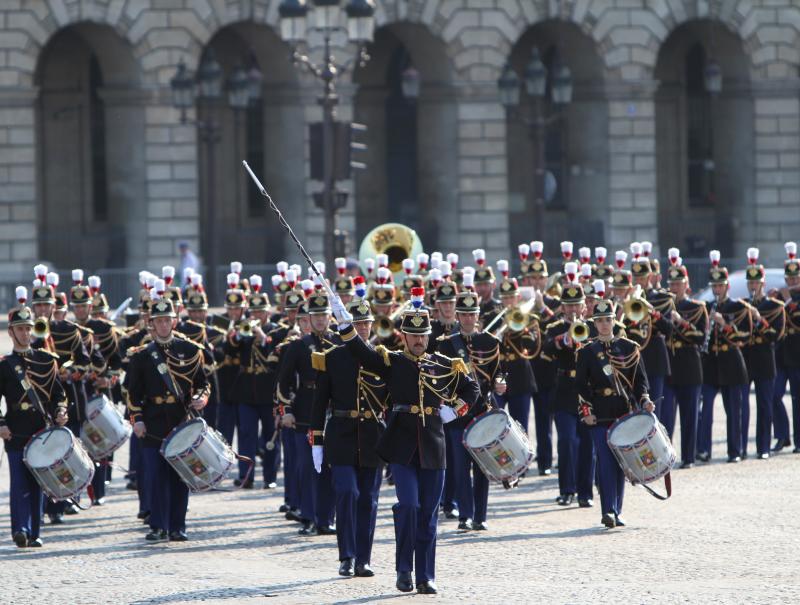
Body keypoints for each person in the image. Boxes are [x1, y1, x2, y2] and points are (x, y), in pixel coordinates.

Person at [332, 291, 480, 595]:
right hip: (401, 447)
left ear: (429, 335)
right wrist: (345, 322)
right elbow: (361, 352)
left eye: (422, 335)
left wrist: (456, 410)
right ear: (404, 336)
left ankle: (426, 575)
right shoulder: (392, 362)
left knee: (428, 513)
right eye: (413, 335)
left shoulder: (443, 364)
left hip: (433, 447)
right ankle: (404, 570)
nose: (419, 341)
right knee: (409, 506)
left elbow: (472, 388)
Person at [311, 298, 388, 577]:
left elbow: (391, 404)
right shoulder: (331, 357)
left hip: (372, 438)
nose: (362, 329)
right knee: (347, 491)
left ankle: (363, 559)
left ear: (371, 325)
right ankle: (347, 554)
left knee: (368, 498)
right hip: (341, 436)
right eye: (356, 324)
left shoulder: (382, 357)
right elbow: (319, 403)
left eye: (365, 323)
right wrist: (317, 441)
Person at [126, 296, 210, 542]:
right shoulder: (141, 356)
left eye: (167, 320)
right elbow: (132, 394)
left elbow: (203, 384)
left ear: (174, 321)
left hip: (180, 421)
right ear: (151, 323)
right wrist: (137, 420)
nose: (163, 325)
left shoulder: (190, 349)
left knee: (180, 477)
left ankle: (177, 526)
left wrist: (201, 399)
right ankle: (157, 525)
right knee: (155, 476)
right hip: (152, 423)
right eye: (158, 321)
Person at [576, 299, 653, 529]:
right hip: (599, 413)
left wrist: (645, 400)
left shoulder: (629, 347)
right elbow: (581, 385)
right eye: (599, 321)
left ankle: (617, 510)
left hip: (623, 411)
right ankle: (608, 510)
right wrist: (586, 411)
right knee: (605, 460)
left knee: (621, 461)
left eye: (607, 320)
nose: (603, 325)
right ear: (594, 323)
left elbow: (640, 381)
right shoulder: (587, 351)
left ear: (613, 320)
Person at [0, 293, 68, 547]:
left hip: (41, 429)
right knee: (19, 483)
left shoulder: (46, 360)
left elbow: (59, 395)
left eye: (28, 329)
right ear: (12, 332)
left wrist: (61, 411)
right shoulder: (5, 365)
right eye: (20, 329)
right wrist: (1, 425)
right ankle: (21, 529)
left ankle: (36, 532)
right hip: (16, 430)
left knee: (38, 482)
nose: (26, 333)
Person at [437, 290, 503, 531]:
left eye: (471, 314)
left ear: (477, 315)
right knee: (460, 467)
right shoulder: (445, 345)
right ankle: (465, 515)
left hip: (481, 413)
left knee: (482, 466)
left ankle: (480, 515)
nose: (467, 319)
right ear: (457, 315)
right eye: (463, 314)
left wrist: (501, 382)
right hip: (457, 413)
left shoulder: (490, 341)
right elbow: (439, 377)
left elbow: (499, 370)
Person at [543, 282, 596, 508]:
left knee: (587, 443)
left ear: (584, 307)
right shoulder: (554, 328)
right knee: (566, 441)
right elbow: (546, 350)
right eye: (569, 306)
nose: (573, 310)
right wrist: (564, 339)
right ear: (562, 308)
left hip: (588, 392)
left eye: (577, 305)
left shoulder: (593, 328)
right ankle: (567, 489)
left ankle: (586, 492)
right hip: (565, 389)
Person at [698, 253, 753, 463]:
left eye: (720, 286)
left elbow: (745, 336)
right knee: (707, 410)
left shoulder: (738, 307)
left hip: (732, 361)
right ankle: (703, 449)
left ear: (727, 286)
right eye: (715, 286)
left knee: (733, 411)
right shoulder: (709, 307)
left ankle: (735, 450)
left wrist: (724, 324)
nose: (717, 289)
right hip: (712, 362)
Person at [661, 263, 707, 468]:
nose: (674, 287)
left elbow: (699, 337)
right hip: (669, 366)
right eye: (672, 283)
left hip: (689, 366)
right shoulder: (663, 307)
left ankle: (689, 457)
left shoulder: (697, 308)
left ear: (686, 284)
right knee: (666, 418)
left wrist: (681, 322)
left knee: (689, 416)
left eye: (679, 283)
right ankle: (666, 458)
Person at [741, 250, 784, 459]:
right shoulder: (743, 305)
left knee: (765, 405)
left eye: (756, 282)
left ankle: (763, 447)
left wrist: (759, 319)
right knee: (742, 404)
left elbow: (775, 335)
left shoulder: (773, 306)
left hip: (765, 359)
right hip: (747, 358)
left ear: (762, 283)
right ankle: (740, 447)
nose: (752, 285)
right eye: (750, 282)